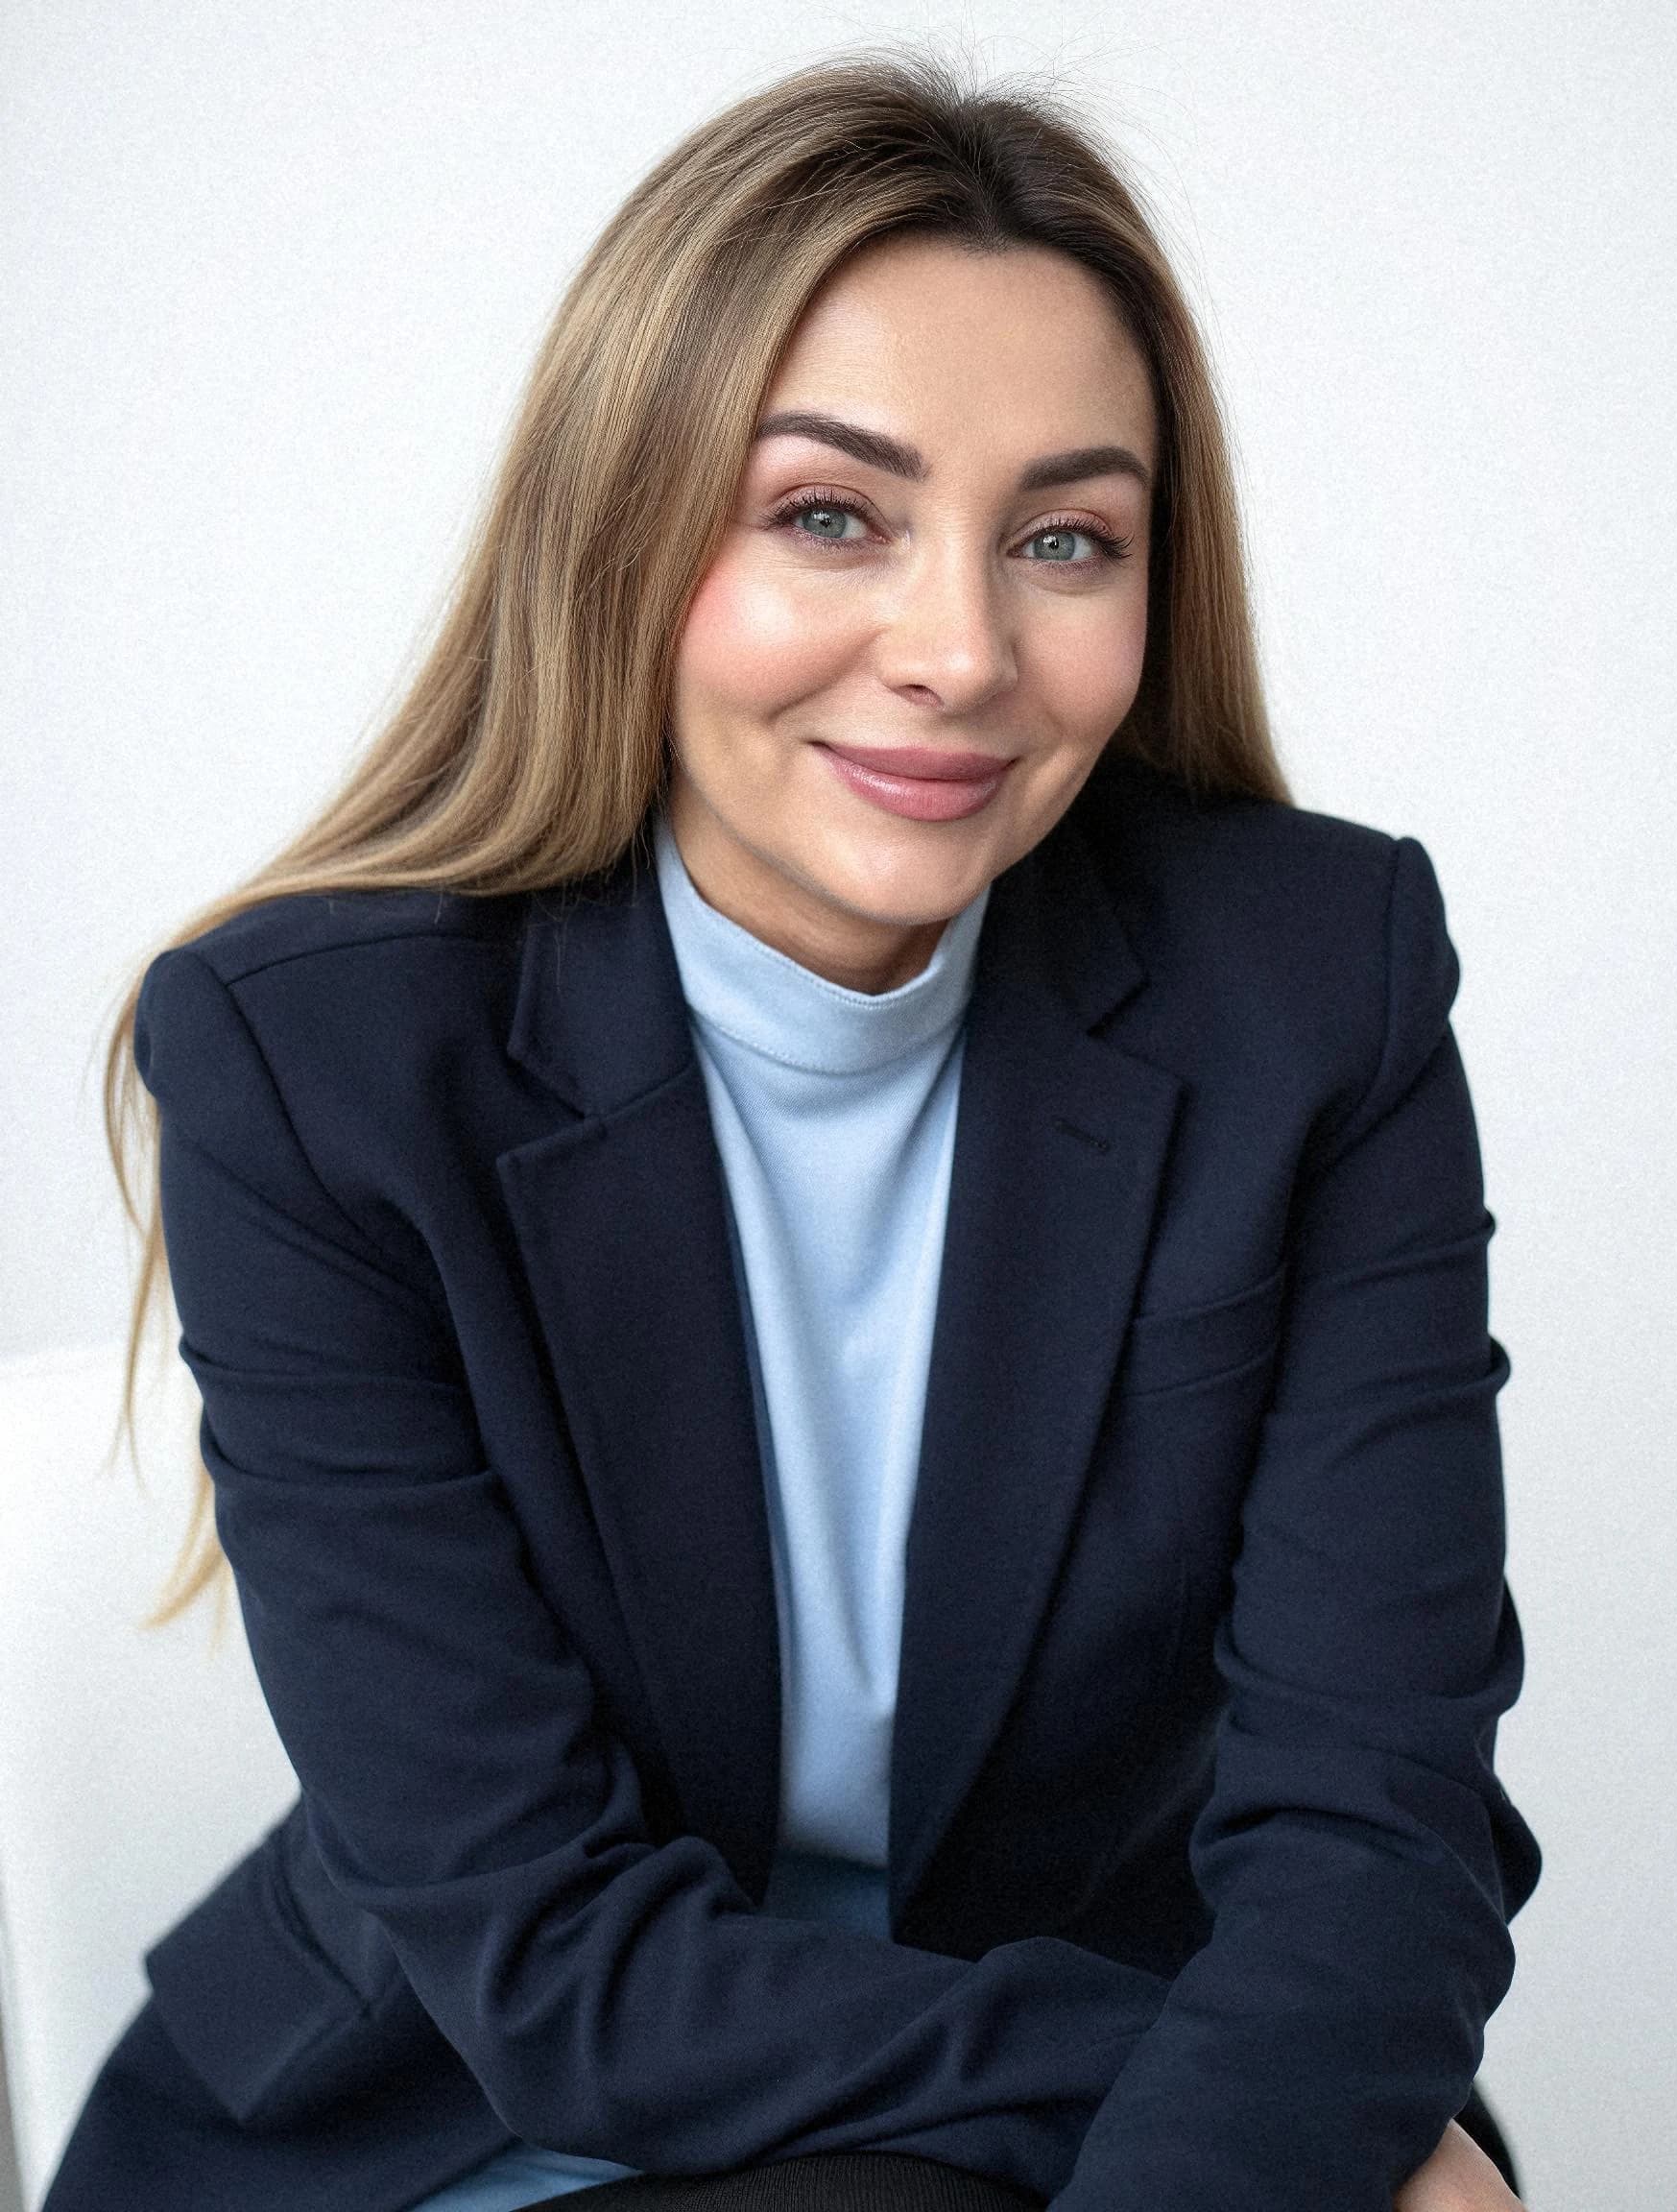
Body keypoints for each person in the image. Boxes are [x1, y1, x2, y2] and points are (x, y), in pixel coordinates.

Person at [47, 47, 1540, 2212]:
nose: (957, 648)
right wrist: (1258, 2094)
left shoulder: (1314, 989)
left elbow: (1372, 1808)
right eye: (827, 513)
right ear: (629, 531)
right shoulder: (317, 1062)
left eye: (1063, 537)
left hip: (1144, 2141)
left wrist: (1247, 2123)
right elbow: (550, 1962)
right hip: (468, 2117)